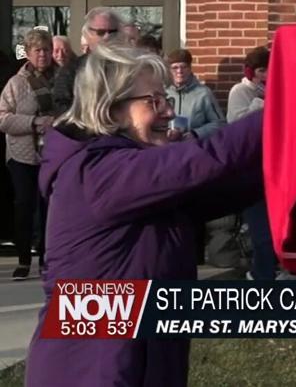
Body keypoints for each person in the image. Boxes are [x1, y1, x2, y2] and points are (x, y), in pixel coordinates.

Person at [25, 42, 263, 387]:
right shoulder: (98, 173)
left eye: (165, 98)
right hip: (91, 371)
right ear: (111, 110)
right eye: (153, 102)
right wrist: (291, 112)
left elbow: (227, 186)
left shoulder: (133, 178)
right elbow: (209, 157)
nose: (168, 111)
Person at [0, 29, 55, 280]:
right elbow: (4, 119)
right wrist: (34, 122)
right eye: (37, 50)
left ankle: (47, 258)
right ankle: (23, 259)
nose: (42, 55)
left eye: (46, 50)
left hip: (53, 154)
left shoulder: (61, 79)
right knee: (24, 206)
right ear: (29, 53)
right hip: (22, 155)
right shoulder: (16, 83)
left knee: (48, 208)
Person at [227, 45, 278, 279]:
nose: (266, 75)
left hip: (273, 165)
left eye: (269, 70)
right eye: (261, 70)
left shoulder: (276, 90)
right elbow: (236, 124)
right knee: (260, 230)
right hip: (251, 166)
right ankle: (261, 274)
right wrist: (261, 100)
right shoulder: (240, 91)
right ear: (250, 72)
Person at [52, 7, 124, 114]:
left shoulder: (133, 68)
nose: (107, 37)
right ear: (87, 35)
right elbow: (62, 109)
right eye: (100, 32)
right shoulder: (71, 71)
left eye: (113, 32)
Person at [164, 48, 225, 139]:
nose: (179, 71)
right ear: (169, 70)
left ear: (190, 69)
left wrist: (196, 134)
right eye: (175, 67)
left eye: (183, 67)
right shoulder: (163, 93)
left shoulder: (203, 93)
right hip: (166, 148)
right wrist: (166, 132)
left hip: (194, 147)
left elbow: (220, 123)